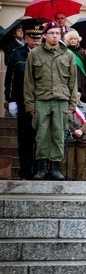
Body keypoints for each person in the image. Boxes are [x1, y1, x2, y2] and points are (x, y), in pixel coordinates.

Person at [24, 21, 79, 181]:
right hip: (41, 100)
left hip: (61, 101)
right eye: (52, 33)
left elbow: (73, 82)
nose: (55, 36)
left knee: (58, 134)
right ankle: (41, 168)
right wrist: (30, 104)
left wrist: (72, 104)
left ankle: (55, 168)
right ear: (45, 35)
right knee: (41, 135)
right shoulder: (34, 54)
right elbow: (29, 82)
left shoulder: (68, 55)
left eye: (57, 33)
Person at [5, 24, 41, 179]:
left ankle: (40, 170)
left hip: (42, 101)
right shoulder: (17, 54)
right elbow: (11, 79)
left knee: (41, 138)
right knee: (25, 137)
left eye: (38, 37)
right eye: (32, 37)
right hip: (23, 101)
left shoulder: (46, 54)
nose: (36, 40)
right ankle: (25, 171)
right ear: (25, 38)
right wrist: (11, 99)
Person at [65, 99, 86, 181]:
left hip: (82, 137)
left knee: (81, 162)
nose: (77, 97)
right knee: (67, 161)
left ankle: (79, 181)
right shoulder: (65, 105)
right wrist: (74, 131)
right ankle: (67, 180)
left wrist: (81, 130)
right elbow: (64, 120)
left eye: (79, 95)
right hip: (69, 137)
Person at [64, 30, 86, 104]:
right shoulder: (65, 52)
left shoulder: (84, 52)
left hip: (84, 83)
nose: (73, 40)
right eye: (71, 39)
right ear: (67, 40)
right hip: (73, 81)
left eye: (75, 39)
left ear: (78, 40)